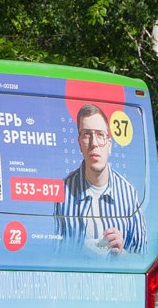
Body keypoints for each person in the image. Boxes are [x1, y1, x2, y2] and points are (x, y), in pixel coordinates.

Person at [53, 103, 145, 257]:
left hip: (117, 280)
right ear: (80, 144)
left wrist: (122, 254)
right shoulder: (63, 192)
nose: (94, 143)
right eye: (87, 134)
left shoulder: (129, 193)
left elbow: (144, 258)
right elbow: (52, 254)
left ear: (109, 145)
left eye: (100, 135)